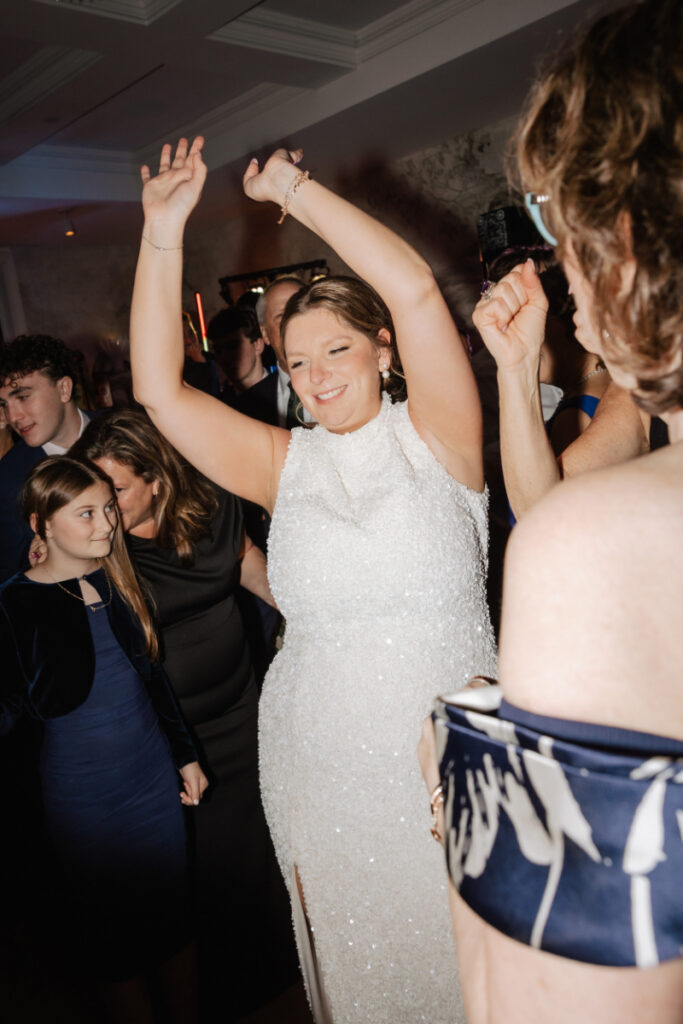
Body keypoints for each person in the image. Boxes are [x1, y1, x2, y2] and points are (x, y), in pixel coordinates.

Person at [128, 135, 496, 1023]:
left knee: (468, 966)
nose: (319, 377)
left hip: (438, 762)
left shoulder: (439, 438)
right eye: (298, 362)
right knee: (361, 973)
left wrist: (294, 191)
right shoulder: (282, 464)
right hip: (317, 762)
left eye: (336, 350)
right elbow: (157, 391)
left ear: (383, 350)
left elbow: (410, 287)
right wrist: (162, 233)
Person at [420, 2, 683, 1022]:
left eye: (552, 223)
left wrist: (469, 794)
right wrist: (518, 366)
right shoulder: (625, 447)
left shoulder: (604, 544)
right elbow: (549, 503)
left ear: (622, 229)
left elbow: (541, 1006)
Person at [72, 408, 298, 1021]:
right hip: (174, 750)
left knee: (259, 866)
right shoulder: (100, 555)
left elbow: (265, 578)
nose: (105, 506)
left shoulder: (215, 511)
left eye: (115, 489)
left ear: (157, 479)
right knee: (205, 883)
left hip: (247, 723)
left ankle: (282, 992)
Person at [0, 455, 207, 1022]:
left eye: (108, 509)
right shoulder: (14, 603)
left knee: (175, 925)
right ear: (41, 524)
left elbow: (150, 676)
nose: (107, 524)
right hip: (84, 800)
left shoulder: (114, 578)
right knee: (115, 946)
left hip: (151, 784)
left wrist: (184, 755)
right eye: (86, 513)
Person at [0, 334, 93, 581]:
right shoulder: (9, 478)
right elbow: (11, 576)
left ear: (64, 389)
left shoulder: (126, 433)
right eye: (4, 404)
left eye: (22, 397)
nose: (13, 417)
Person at [239, 277, 313, 428]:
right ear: (265, 334)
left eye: (299, 312)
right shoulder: (249, 406)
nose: (293, 323)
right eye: (282, 316)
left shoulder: (346, 383)